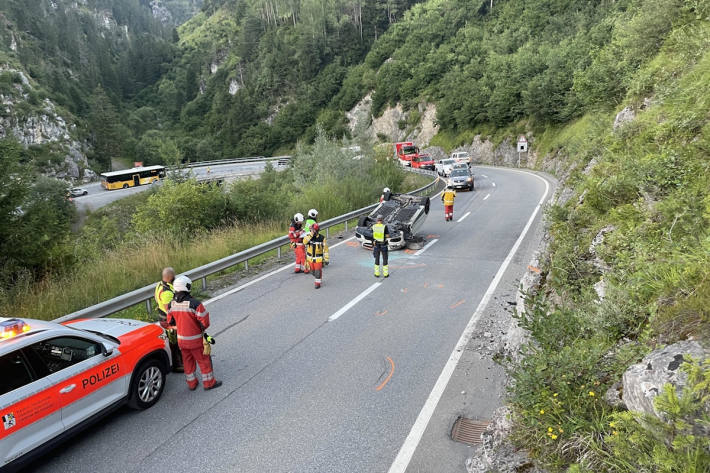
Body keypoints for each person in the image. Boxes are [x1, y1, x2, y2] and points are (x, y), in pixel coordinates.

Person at [167, 275, 222, 391]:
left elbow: (170, 322)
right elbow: (205, 322)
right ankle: (209, 383)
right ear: (185, 287)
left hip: (181, 341)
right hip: (195, 341)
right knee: (204, 361)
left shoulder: (171, 304)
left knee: (187, 362)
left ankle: (191, 384)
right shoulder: (195, 304)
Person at [154, 267, 183, 372]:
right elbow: (169, 310)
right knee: (174, 343)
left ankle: (179, 361)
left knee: (173, 341)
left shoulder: (159, 285)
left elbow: (156, 298)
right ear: (171, 278)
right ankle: (177, 365)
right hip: (168, 320)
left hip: (163, 317)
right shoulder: (166, 292)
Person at [303, 223, 329, 289]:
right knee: (312, 272)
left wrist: (326, 259)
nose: (311, 231)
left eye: (312, 230)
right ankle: (319, 276)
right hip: (310, 259)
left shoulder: (322, 238)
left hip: (318, 259)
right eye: (311, 230)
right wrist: (311, 235)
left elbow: (326, 249)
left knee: (317, 272)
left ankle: (317, 283)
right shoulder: (308, 237)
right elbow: (304, 242)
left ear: (316, 230)